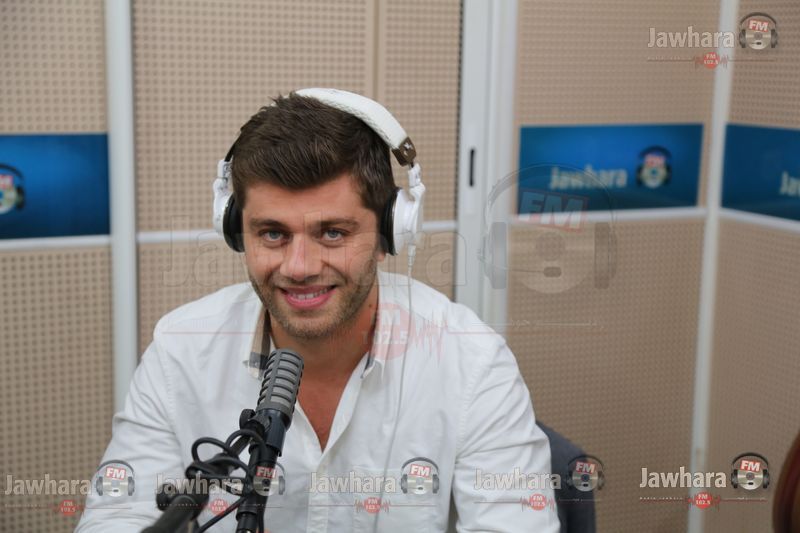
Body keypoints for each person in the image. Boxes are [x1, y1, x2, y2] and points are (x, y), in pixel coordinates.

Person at [76, 89, 559, 532]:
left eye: (332, 233)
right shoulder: (180, 351)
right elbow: (117, 515)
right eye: (273, 233)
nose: (299, 267)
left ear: (389, 235)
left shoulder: (472, 362)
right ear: (236, 232)